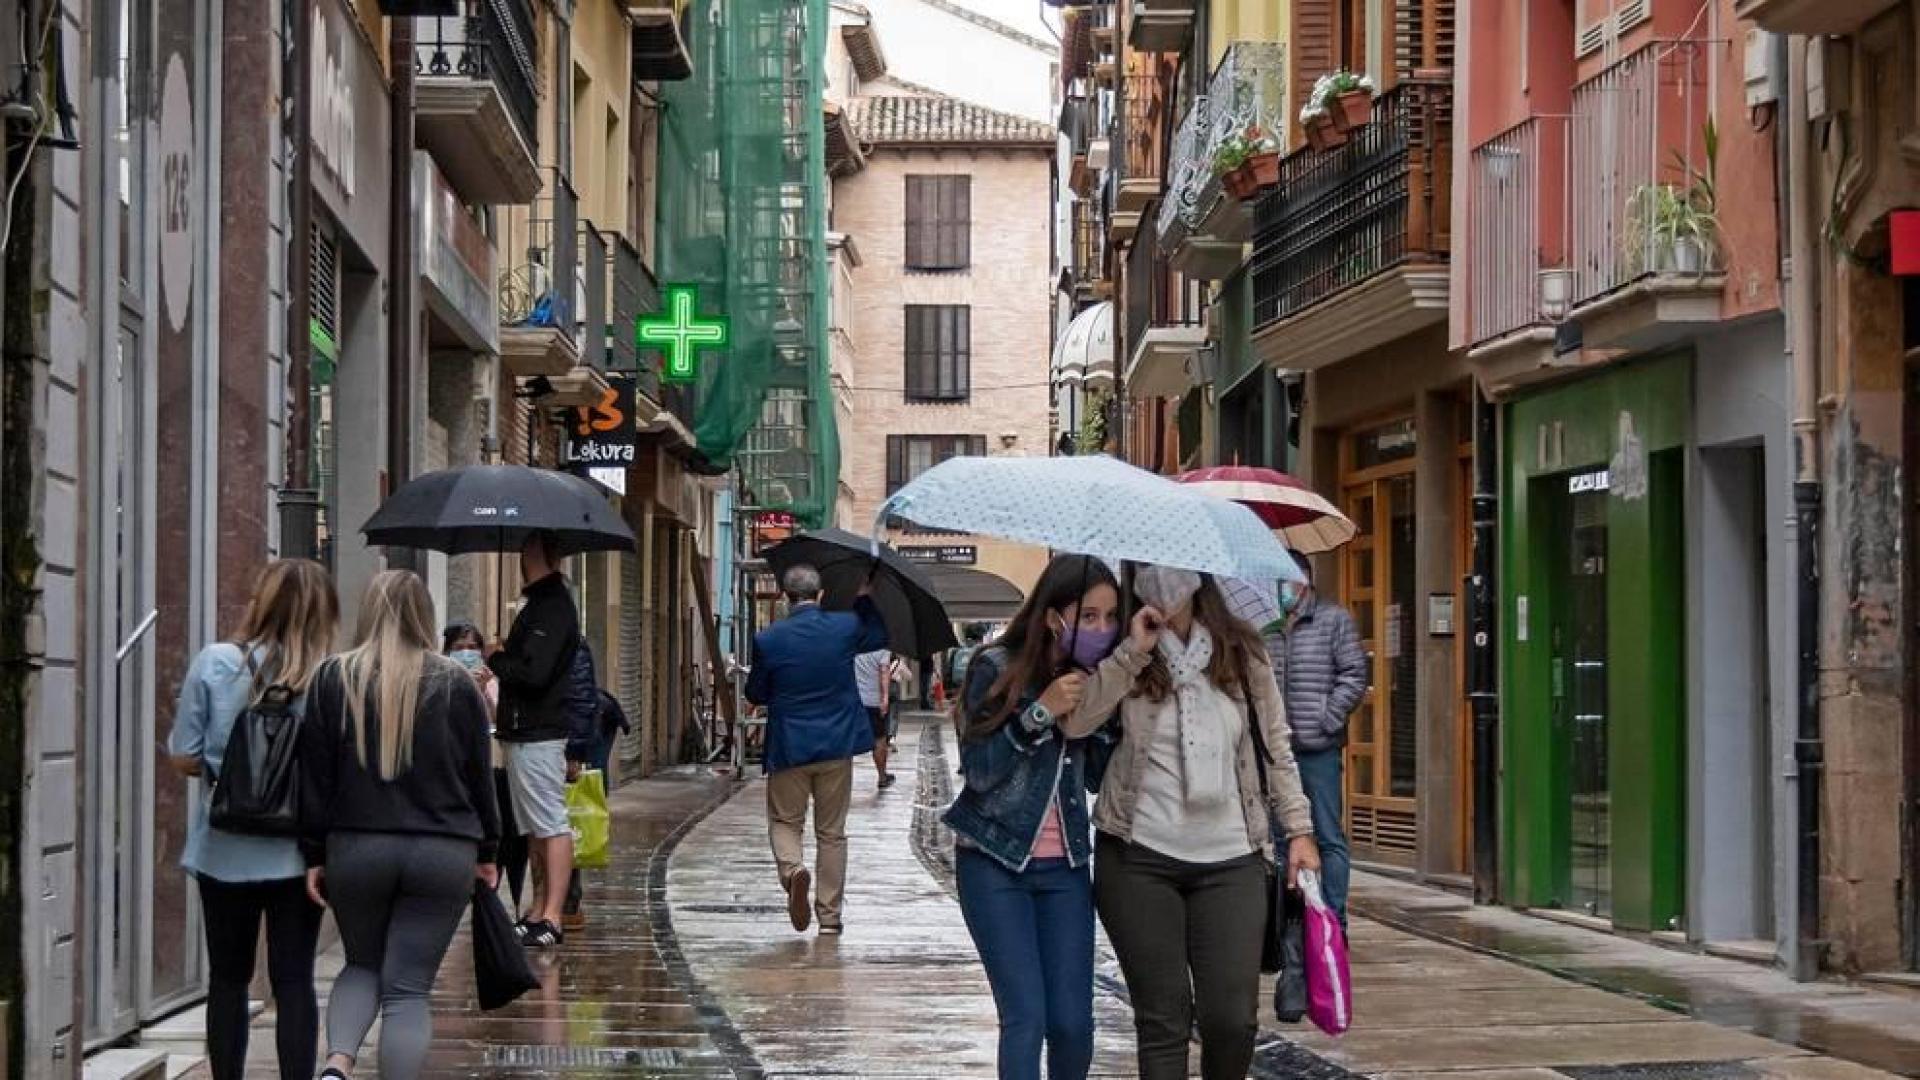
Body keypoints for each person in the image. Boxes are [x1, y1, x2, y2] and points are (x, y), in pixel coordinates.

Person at [1081, 566, 1321, 1080]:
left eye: (1172, 566)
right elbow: (1078, 720)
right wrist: (1132, 652)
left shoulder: (1242, 650)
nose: (1162, 577)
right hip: (1137, 856)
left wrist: (1299, 831)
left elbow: (1276, 745)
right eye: (1147, 566)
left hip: (1232, 857)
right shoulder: (1123, 647)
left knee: (1231, 1021)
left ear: (1198, 572)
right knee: (1163, 1022)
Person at [945, 555, 1149, 1080]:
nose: (1101, 630)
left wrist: (1101, 712)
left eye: (1110, 619)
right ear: (1055, 617)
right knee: (1026, 1019)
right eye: (1089, 617)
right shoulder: (995, 666)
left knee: (1074, 1025)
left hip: (1066, 871)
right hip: (994, 862)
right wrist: (1040, 712)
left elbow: (1099, 777)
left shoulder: (1094, 679)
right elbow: (981, 771)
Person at [298, 571, 499, 1080]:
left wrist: (314, 854)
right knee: (407, 989)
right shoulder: (456, 683)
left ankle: (338, 1064)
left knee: (361, 963)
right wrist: (490, 849)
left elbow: (315, 779)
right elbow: (481, 777)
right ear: (425, 618)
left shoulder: (332, 678)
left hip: (358, 847)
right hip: (443, 851)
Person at [166, 559, 337, 1080]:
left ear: (261, 602)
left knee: (228, 980)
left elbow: (183, 753)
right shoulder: (330, 676)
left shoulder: (217, 662)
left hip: (223, 848)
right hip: (296, 857)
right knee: (294, 981)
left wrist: (230, 771)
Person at [746, 564, 888, 934]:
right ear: (820, 594)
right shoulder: (843, 627)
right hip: (836, 745)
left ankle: (794, 871)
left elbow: (756, 693)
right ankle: (829, 915)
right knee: (832, 832)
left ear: (783, 596)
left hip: (790, 745)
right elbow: (876, 635)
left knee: (784, 821)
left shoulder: (769, 639)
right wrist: (864, 596)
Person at [488, 532, 582, 947]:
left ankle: (553, 915)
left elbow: (534, 673)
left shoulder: (552, 607)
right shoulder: (541, 604)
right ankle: (537, 907)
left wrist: (497, 657)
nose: (520, 555)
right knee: (534, 828)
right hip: (524, 731)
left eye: (527, 548)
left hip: (539, 733)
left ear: (539, 554)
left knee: (549, 823)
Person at [1274, 553, 1366, 926]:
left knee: (1327, 835)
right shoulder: (1268, 626)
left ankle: (1333, 920)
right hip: (1279, 749)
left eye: (1285, 580)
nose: (1280, 589)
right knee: (1282, 837)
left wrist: (1328, 717)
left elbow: (1354, 674)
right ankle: (1292, 922)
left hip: (1319, 747)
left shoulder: (1334, 619)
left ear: (1304, 580)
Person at [445, 621, 528, 910]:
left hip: (492, 769)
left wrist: (481, 691)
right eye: (459, 648)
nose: (466, 653)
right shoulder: (442, 681)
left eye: (472, 648)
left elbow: (498, 721)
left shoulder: (493, 681)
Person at [854, 647, 896, 788]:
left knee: (847, 738)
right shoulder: (882, 647)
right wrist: (884, 697)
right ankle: (882, 776)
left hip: (853, 700)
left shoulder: (853, 642)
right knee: (879, 738)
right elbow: (884, 671)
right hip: (873, 701)